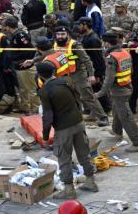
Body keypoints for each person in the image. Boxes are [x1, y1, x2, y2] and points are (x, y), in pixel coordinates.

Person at [36, 62, 98, 199]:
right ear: (54, 71)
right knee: (84, 153)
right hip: (78, 122)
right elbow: (78, 99)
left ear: (40, 75)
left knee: (64, 158)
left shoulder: (45, 91)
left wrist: (45, 137)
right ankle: (91, 182)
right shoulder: (66, 81)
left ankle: (69, 190)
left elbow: (47, 117)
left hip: (63, 128)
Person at [95, 32, 138, 152]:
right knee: (116, 108)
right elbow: (132, 70)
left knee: (126, 117)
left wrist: (100, 93)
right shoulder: (125, 52)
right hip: (127, 85)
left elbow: (109, 78)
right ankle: (116, 131)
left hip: (119, 91)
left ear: (106, 43)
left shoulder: (111, 57)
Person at [53, 26, 108, 126]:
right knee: (73, 97)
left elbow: (87, 60)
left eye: (62, 34)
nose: (60, 36)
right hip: (64, 75)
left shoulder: (75, 45)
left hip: (78, 74)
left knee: (88, 96)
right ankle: (78, 117)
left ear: (68, 35)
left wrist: (91, 75)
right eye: (58, 34)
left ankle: (102, 117)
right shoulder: (55, 45)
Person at [75, 17, 110, 114]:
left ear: (85, 25)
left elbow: (97, 58)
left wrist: (97, 74)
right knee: (94, 90)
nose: (79, 27)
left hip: (95, 70)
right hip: (90, 69)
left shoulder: (93, 39)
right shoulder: (87, 36)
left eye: (80, 25)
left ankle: (106, 110)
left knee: (97, 90)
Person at [6, 17, 39, 115]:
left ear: (8, 27)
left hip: (26, 66)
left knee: (32, 88)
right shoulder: (13, 35)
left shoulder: (20, 35)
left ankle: (36, 109)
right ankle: (25, 107)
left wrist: (25, 60)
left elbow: (30, 50)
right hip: (18, 66)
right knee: (22, 89)